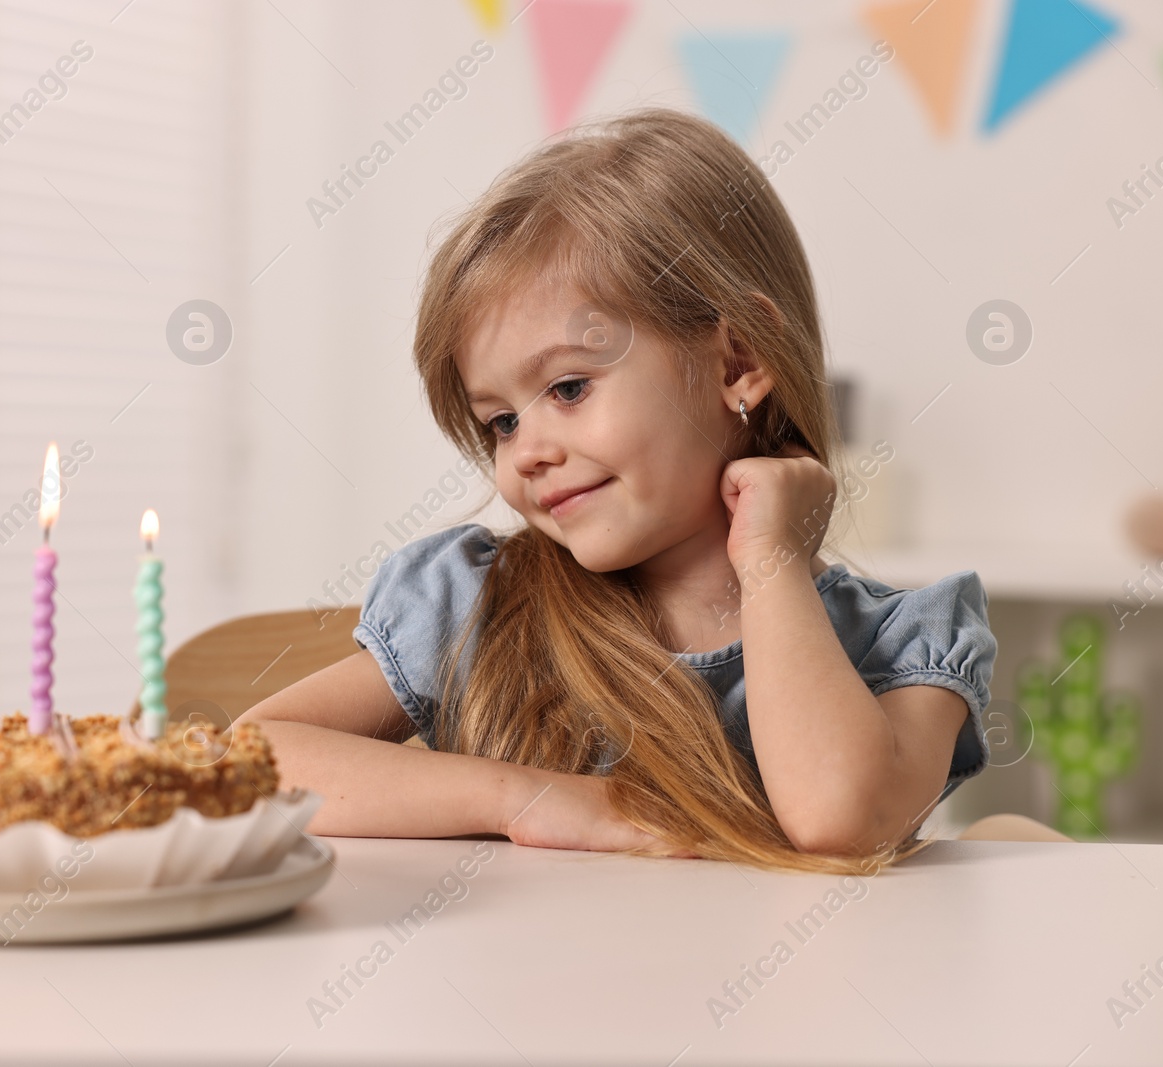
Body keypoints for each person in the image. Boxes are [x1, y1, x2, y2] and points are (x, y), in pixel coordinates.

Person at [237, 108, 1000, 874]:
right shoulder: (476, 603)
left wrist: (770, 555)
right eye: (501, 421)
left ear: (737, 363)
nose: (526, 452)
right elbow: (245, 763)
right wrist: (522, 799)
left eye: (568, 387)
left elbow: (839, 818)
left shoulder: (904, 645)